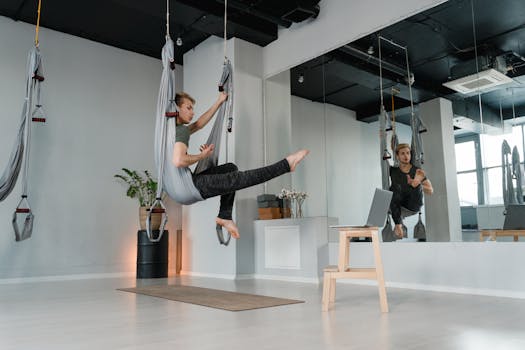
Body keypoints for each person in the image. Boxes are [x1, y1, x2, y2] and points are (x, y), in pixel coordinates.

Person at [172, 91, 309, 239]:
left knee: (230, 168)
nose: (192, 112)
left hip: (182, 186)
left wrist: (219, 102)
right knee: (239, 179)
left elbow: (198, 124)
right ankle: (287, 164)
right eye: (188, 108)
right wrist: (202, 156)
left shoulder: (171, 130)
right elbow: (179, 160)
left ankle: (224, 216)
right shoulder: (181, 131)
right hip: (189, 187)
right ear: (176, 108)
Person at [389, 143, 433, 239]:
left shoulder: (417, 171)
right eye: (403, 153)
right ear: (397, 156)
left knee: (416, 184)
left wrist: (418, 184)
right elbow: (383, 162)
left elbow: (430, 191)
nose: (406, 156)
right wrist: (383, 138)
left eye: (408, 153)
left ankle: (416, 184)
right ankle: (398, 225)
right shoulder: (393, 171)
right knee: (392, 189)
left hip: (413, 204)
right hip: (400, 205)